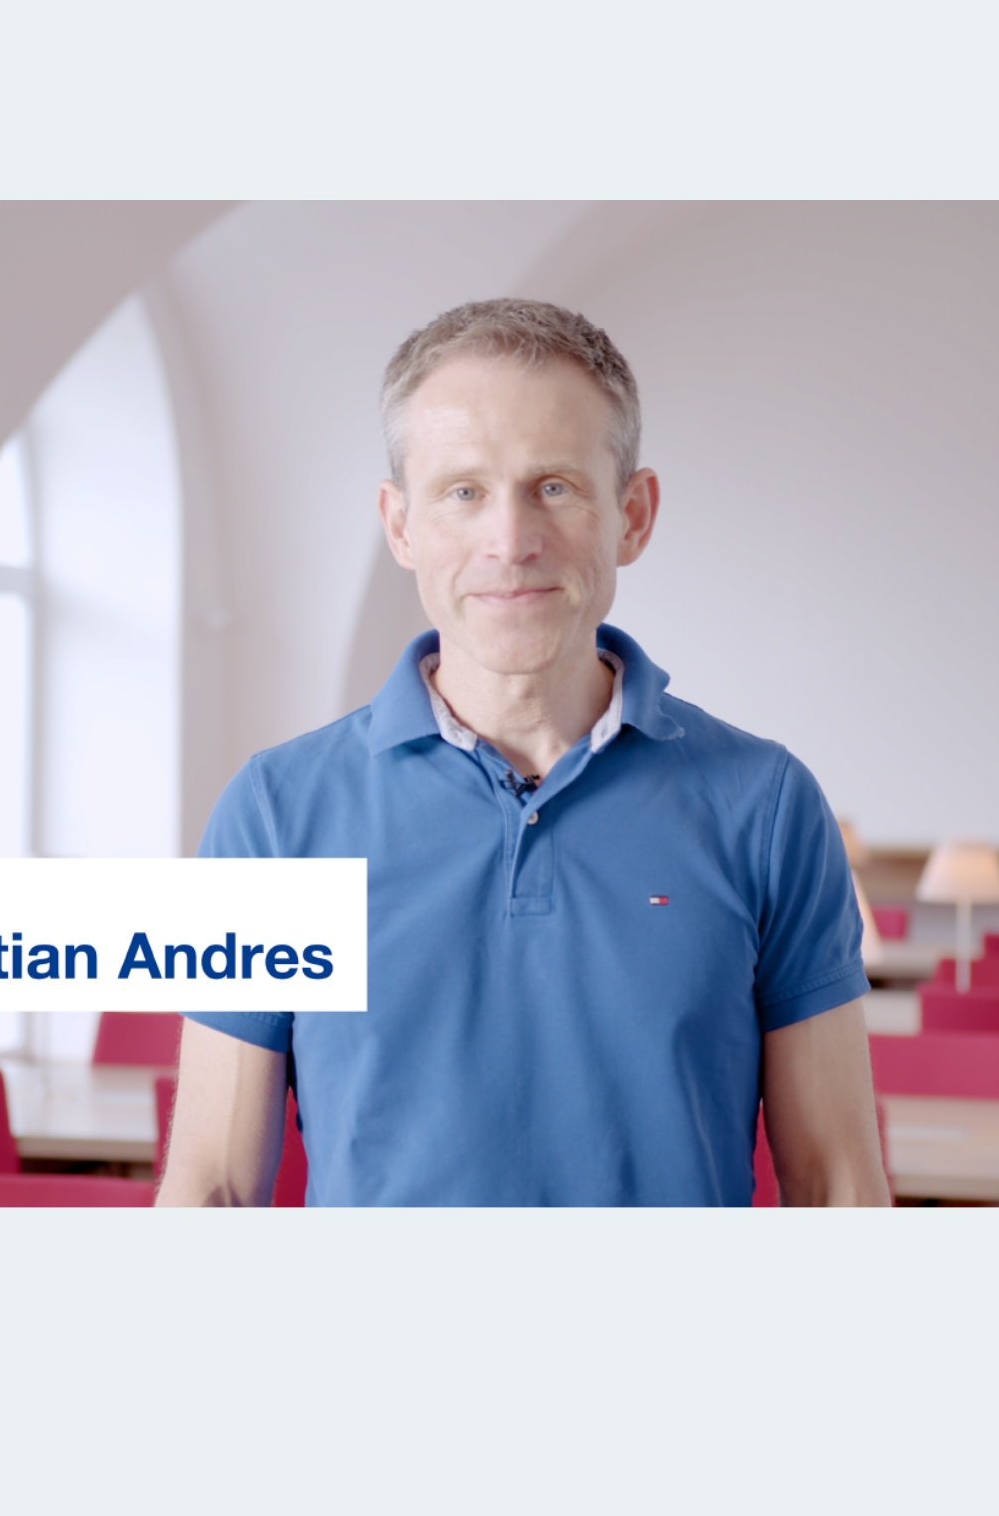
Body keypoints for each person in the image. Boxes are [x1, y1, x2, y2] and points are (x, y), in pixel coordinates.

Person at [156, 299, 888, 1206]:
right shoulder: (276, 813)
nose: (510, 541)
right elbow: (213, 1187)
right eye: (462, 492)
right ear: (400, 525)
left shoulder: (765, 804)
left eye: (554, 486)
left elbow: (837, 1183)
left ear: (633, 513)